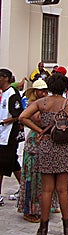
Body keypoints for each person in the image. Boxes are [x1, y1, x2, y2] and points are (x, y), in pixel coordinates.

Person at [19, 73, 68, 235]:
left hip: (46, 146)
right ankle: (67, 226)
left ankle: (43, 228)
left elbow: (23, 117)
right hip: (64, 148)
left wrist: (40, 131)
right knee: (63, 190)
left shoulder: (41, 103)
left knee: (46, 189)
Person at [17, 79, 59, 223]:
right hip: (35, 143)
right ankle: (30, 210)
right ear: (35, 92)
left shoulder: (46, 103)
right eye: (41, 90)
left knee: (46, 176)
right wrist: (40, 130)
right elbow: (35, 120)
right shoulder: (33, 104)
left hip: (46, 142)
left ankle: (49, 206)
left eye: (46, 90)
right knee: (33, 177)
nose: (44, 93)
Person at [0, 68, 23, 207]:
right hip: (2, 135)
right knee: (13, 162)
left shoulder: (12, 94)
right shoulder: (3, 94)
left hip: (8, 135)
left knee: (1, 165)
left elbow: (17, 115)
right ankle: (25, 189)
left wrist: (4, 122)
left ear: (5, 78)